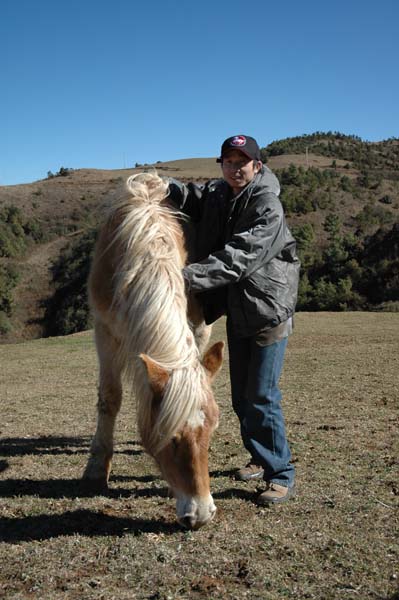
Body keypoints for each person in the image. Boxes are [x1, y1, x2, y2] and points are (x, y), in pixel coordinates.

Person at [167, 135, 300, 504]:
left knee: (261, 395)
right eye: (228, 161)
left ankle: (281, 474)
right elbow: (193, 197)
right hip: (239, 309)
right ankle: (259, 458)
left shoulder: (266, 204)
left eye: (243, 161)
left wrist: (184, 276)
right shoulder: (222, 194)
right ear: (221, 165)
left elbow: (239, 257)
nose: (235, 167)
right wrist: (164, 185)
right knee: (241, 397)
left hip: (266, 309)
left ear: (257, 166)